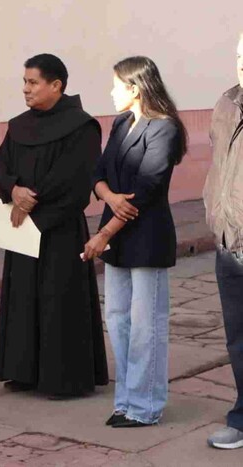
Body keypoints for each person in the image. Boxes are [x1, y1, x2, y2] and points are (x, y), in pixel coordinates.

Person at [0, 53, 108, 399]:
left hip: (59, 230)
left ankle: (63, 379)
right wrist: (13, 189)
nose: (25, 89)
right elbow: (2, 164)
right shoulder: (19, 125)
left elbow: (75, 180)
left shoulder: (82, 126)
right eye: (24, 82)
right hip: (22, 226)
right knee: (22, 299)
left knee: (59, 302)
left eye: (33, 82)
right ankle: (22, 371)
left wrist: (32, 206)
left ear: (56, 86)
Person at [83, 56, 187, 428]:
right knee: (119, 321)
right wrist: (109, 198)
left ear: (135, 87)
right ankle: (125, 400)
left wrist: (103, 233)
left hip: (146, 238)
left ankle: (146, 407)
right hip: (117, 236)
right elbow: (98, 172)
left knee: (147, 326)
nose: (111, 92)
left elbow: (147, 187)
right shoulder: (121, 122)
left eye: (116, 85)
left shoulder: (165, 128)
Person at [203, 34, 243, 449]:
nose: (242, 64)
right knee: (237, 338)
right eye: (238, 56)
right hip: (230, 244)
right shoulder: (226, 103)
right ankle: (242, 417)